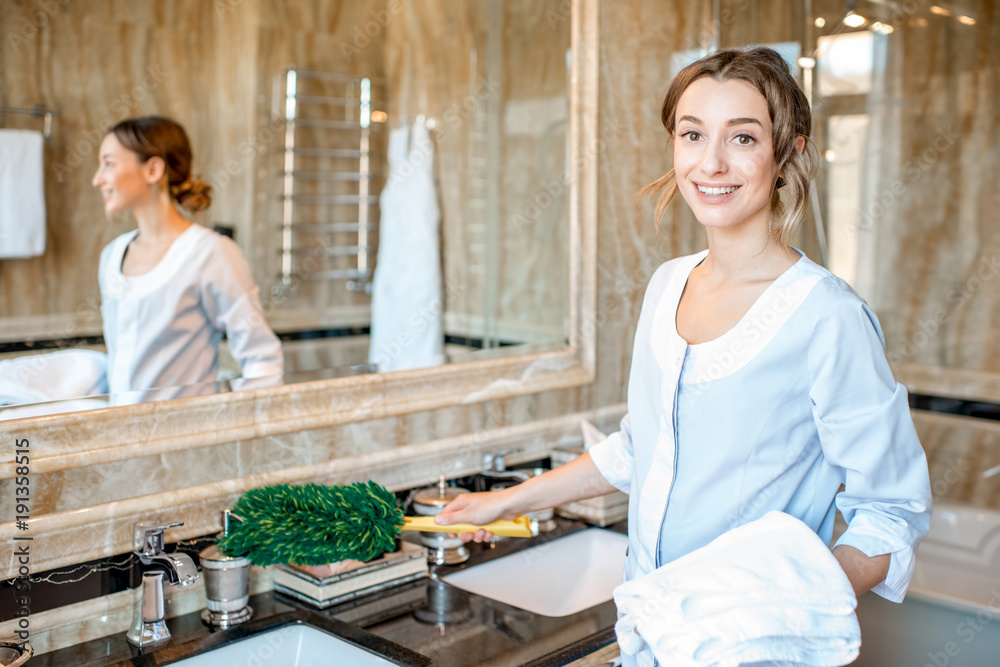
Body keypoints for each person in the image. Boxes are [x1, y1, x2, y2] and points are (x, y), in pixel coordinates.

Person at [436, 47, 931, 660]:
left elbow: (891, 512)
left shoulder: (827, 317)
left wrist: (784, 600)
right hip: (649, 637)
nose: (711, 162)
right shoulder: (667, 285)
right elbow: (642, 446)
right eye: (692, 134)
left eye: (743, 138)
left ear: (788, 155)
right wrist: (505, 499)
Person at [92, 116, 283, 401]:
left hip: (185, 440)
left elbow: (263, 362)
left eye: (109, 163)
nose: (98, 179)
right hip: (120, 438)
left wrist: (236, 433)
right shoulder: (112, 255)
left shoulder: (211, 253)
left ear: (153, 169)